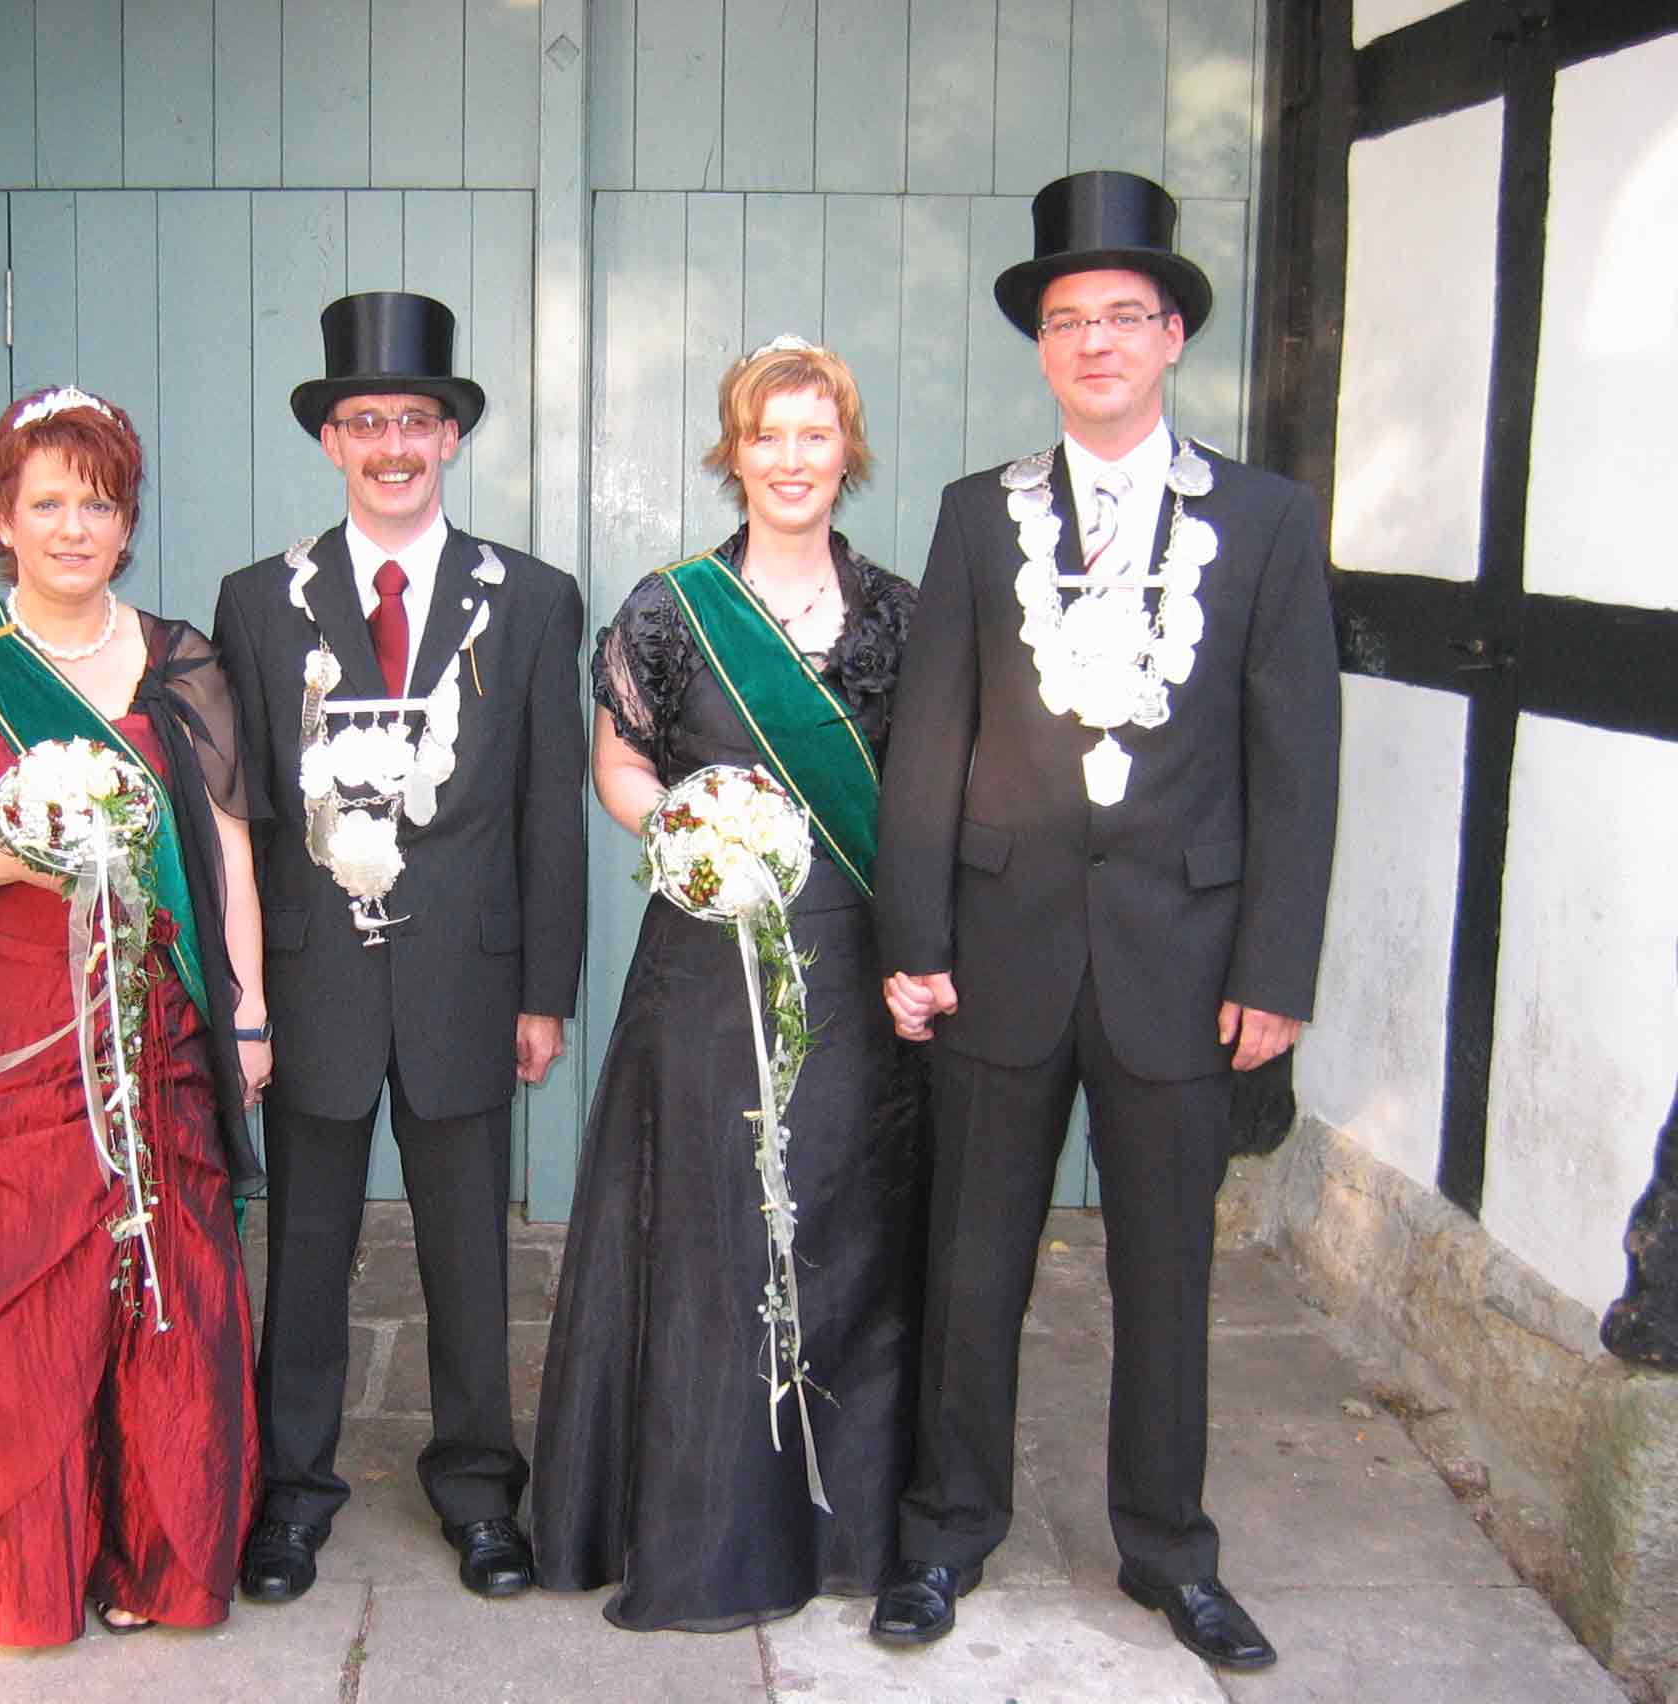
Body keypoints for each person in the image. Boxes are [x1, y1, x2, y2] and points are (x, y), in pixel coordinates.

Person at [870, 171, 1341, 1670]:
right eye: (1068, 320)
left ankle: (1169, 1552)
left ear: (1173, 335)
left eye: (1124, 317)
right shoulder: (977, 514)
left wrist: (1276, 968)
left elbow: (1296, 762)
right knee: (972, 1265)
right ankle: (945, 1533)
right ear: (1042, 346)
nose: (1095, 343)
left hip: (1184, 966)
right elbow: (929, 743)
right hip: (997, 954)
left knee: (1166, 1276)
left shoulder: (1266, 518)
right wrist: (912, 941)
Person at [0, 385, 270, 1645]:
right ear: (3, 518)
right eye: (46, 504)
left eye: (98, 504)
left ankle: (153, 1553)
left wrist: (248, 1012)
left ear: (128, 521)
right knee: (8, 1295)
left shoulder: (182, 660)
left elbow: (228, 851)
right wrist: (4, 858)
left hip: (153, 1023)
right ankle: (18, 1560)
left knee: (159, 1285)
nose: (73, 529)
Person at [532, 337, 928, 1631]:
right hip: (706, 963)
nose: (792, 459)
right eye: (769, 436)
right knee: (713, 1228)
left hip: (852, 968)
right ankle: (705, 1526)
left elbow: (923, 796)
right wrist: (689, 833)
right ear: (734, 452)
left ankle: (845, 1524)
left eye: (817, 434)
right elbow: (619, 767)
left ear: (846, 451)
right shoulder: (670, 609)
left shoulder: (901, 615)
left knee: (842, 1226)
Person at [211, 292, 586, 1602]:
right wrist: (246, 998)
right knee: (306, 1249)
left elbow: (548, 807)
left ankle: (480, 1492)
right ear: (330, 441)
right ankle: (291, 1494)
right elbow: (245, 816)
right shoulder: (258, 602)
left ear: (450, 438)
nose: (391, 445)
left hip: (465, 981)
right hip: (314, 976)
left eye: (414, 420)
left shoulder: (530, 599)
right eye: (364, 421)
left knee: (469, 1255)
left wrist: (545, 992)